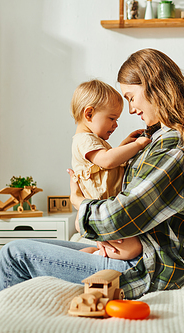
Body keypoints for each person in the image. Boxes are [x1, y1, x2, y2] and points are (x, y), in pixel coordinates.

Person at [0, 48, 184, 300]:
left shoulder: (172, 149)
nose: (131, 110)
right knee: (29, 249)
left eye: (130, 97)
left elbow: (119, 215)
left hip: (151, 268)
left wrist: (79, 203)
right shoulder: (157, 139)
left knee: (14, 254)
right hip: (136, 251)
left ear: (153, 87)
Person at [70, 79, 150, 260]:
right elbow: (107, 161)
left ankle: (94, 253)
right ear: (89, 114)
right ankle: (86, 259)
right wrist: (137, 145)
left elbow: (107, 161)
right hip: (101, 210)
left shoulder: (93, 141)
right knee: (131, 249)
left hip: (105, 208)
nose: (116, 125)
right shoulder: (84, 140)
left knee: (130, 247)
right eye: (112, 118)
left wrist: (124, 144)